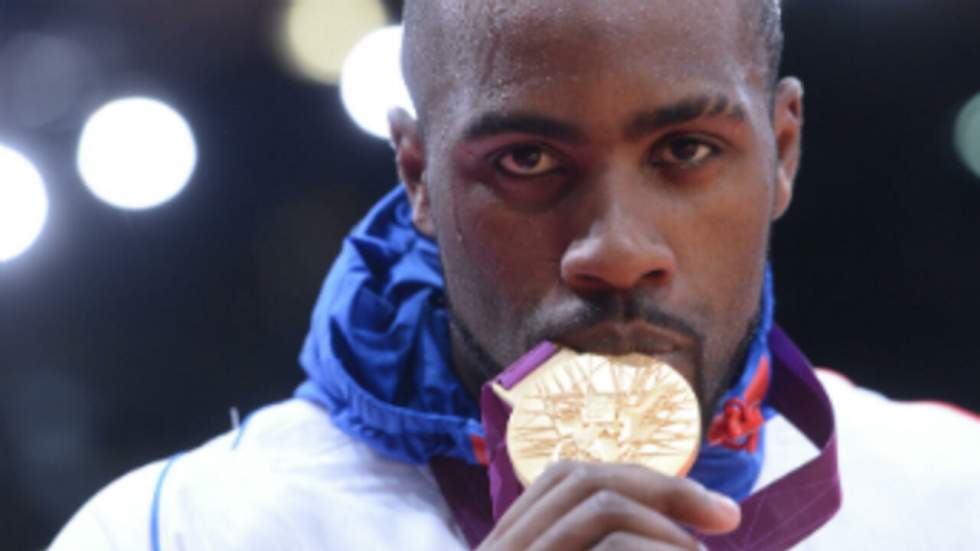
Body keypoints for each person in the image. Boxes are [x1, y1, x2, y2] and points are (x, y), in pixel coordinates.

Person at [53, 1, 980, 549]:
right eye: (527, 161)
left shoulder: (952, 498)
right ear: (416, 176)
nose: (615, 248)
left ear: (781, 151)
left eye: (687, 148)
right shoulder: (174, 530)